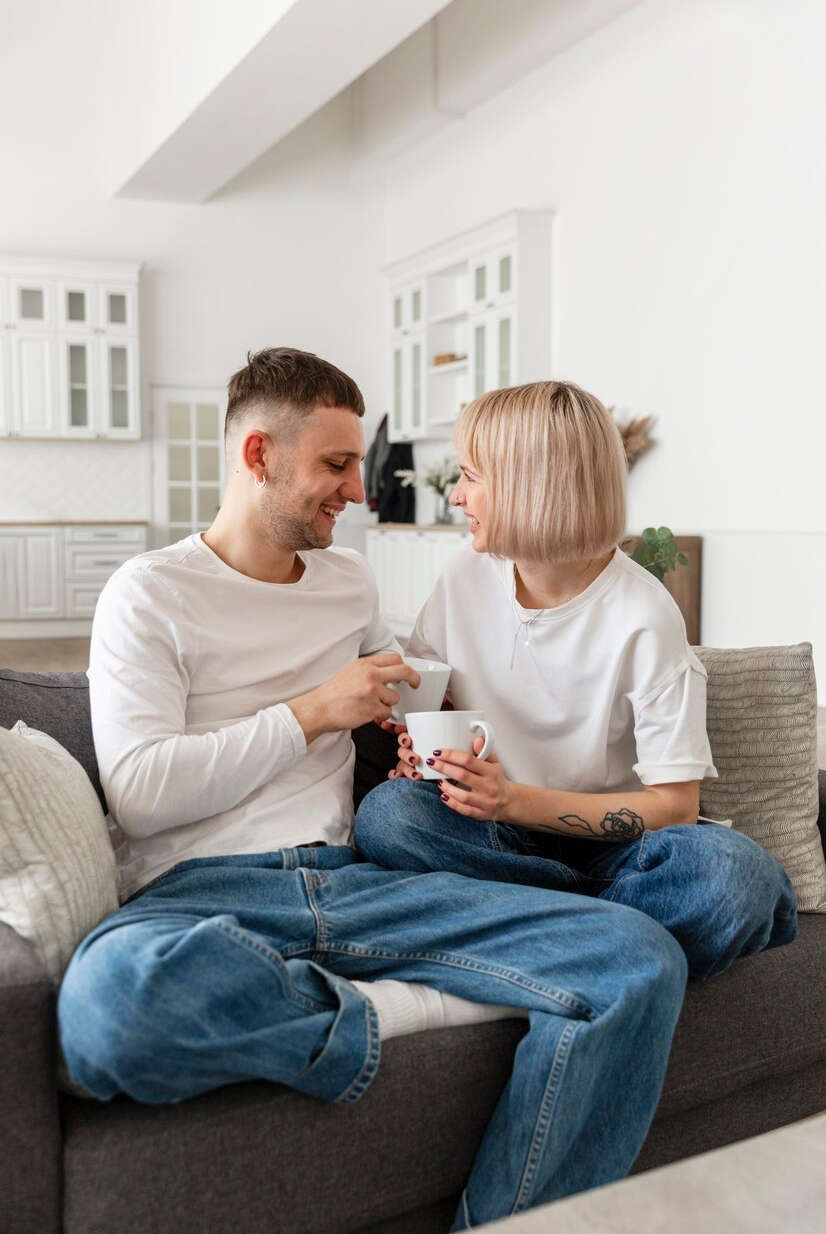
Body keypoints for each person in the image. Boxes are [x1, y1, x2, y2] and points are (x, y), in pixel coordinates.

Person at [58, 350, 688, 1231]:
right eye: (336, 464)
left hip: (360, 881)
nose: (359, 490)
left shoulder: (350, 584)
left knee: (640, 957)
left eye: (357, 464)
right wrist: (315, 709)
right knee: (108, 1006)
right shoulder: (148, 593)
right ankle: (379, 1011)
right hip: (203, 896)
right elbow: (140, 794)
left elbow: (418, 691)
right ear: (256, 457)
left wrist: (418, 734)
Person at [354, 380, 797, 981]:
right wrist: (421, 739)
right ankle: (609, 941)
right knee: (390, 816)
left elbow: (675, 808)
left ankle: (531, 935)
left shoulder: (644, 614)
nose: (456, 496)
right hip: (498, 841)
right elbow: (435, 691)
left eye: (470, 476)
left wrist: (511, 797)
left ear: (530, 485)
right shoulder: (463, 576)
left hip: (618, 850)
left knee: (734, 875)